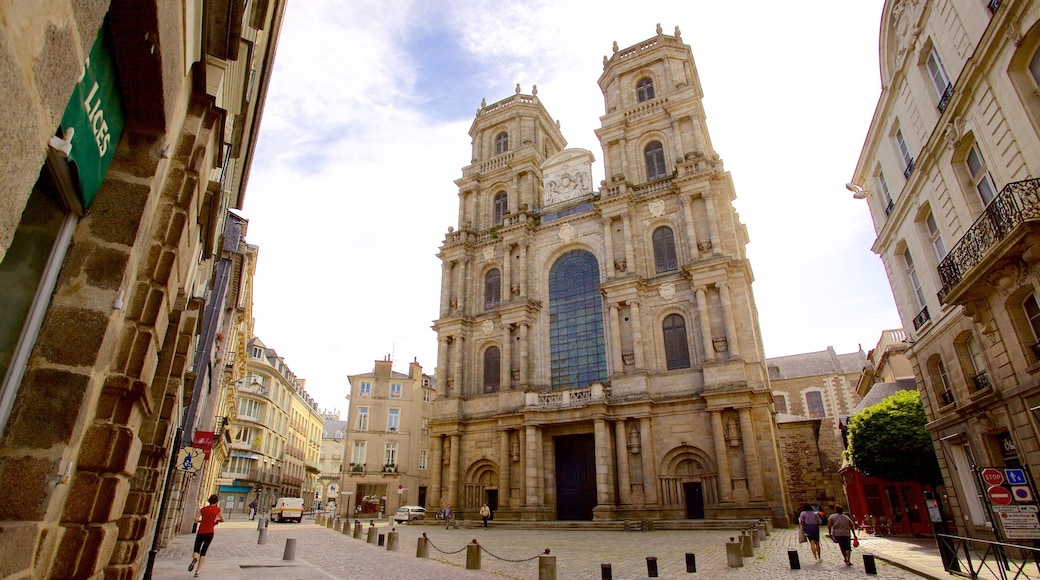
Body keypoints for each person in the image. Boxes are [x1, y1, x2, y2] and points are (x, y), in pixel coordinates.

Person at [189, 494, 224, 577]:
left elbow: (195, 519)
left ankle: (194, 559)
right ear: (216, 502)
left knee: (196, 548)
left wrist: (202, 521)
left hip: (201, 531)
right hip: (210, 532)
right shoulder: (217, 510)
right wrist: (216, 521)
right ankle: (198, 570)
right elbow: (222, 519)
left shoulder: (203, 509)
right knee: (203, 551)